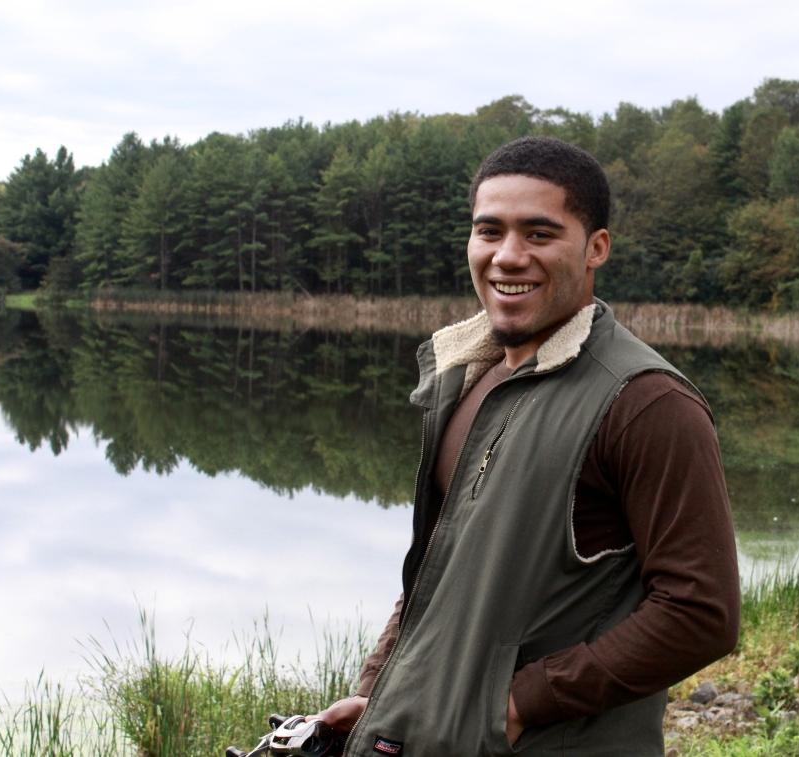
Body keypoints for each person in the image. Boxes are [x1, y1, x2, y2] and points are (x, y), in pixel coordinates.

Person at [312, 136, 740, 757]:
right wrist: (382, 694)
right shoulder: (469, 380)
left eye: (539, 234)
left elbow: (701, 614)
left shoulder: (647, 404)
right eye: (490, 231)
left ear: (596, 248)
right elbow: (440, 572)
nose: (508, 257)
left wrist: (516, 707)